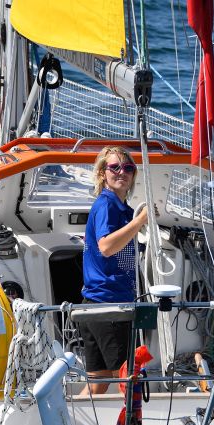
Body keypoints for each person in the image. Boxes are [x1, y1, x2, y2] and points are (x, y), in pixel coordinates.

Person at [77, 146, 149, 396]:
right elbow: (106, 246)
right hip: (109, 305)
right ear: (102, 174)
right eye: (114, 167)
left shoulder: (122, 210)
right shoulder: (107, 204)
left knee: (98, 383)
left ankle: (72, 423)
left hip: (94, 303)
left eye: (128, 168)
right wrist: (139, 222)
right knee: (127, 378)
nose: (122, 172)